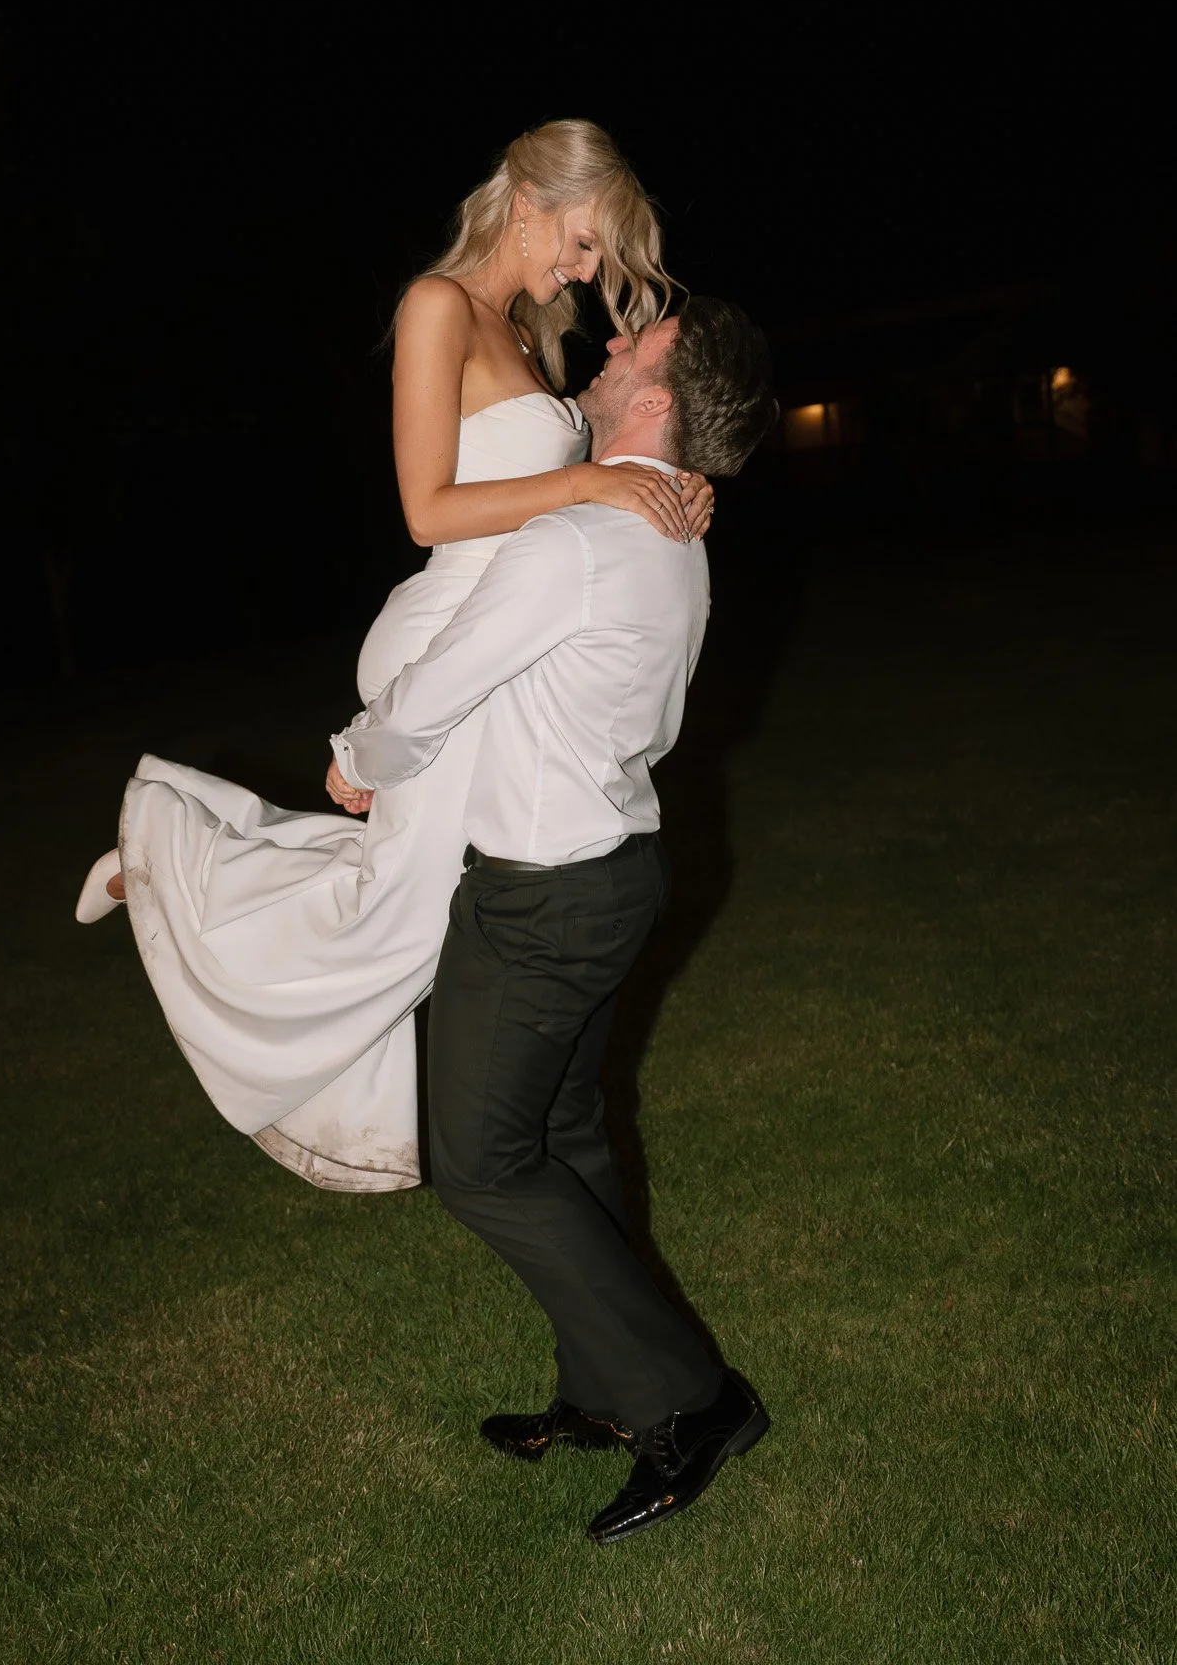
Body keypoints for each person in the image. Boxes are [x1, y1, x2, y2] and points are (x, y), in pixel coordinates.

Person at [76, 121, 714, 1191]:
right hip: (449, 639)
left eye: (601, 254)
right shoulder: (437, 307)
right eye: (586, 240)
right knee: (401, 923)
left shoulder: (524, 331)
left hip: (496, 641)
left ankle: (185, 875)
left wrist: (668, 482)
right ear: (527, 199)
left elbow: (588, 480)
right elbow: (430, 508)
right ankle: (172, 872)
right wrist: (584, 483)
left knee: (404, 899)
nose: (589, 269)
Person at [329, 296, 777, 1542]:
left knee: (478, 1160)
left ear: (655, 402)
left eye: (637, 343)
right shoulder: (671, 528)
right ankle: (603, 1393)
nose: (612, 342)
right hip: (614, 871)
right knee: (565, 1131)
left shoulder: (582, 535)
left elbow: (442, 682)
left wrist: (360, 756)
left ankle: (694, 1400)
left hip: (546, 898)